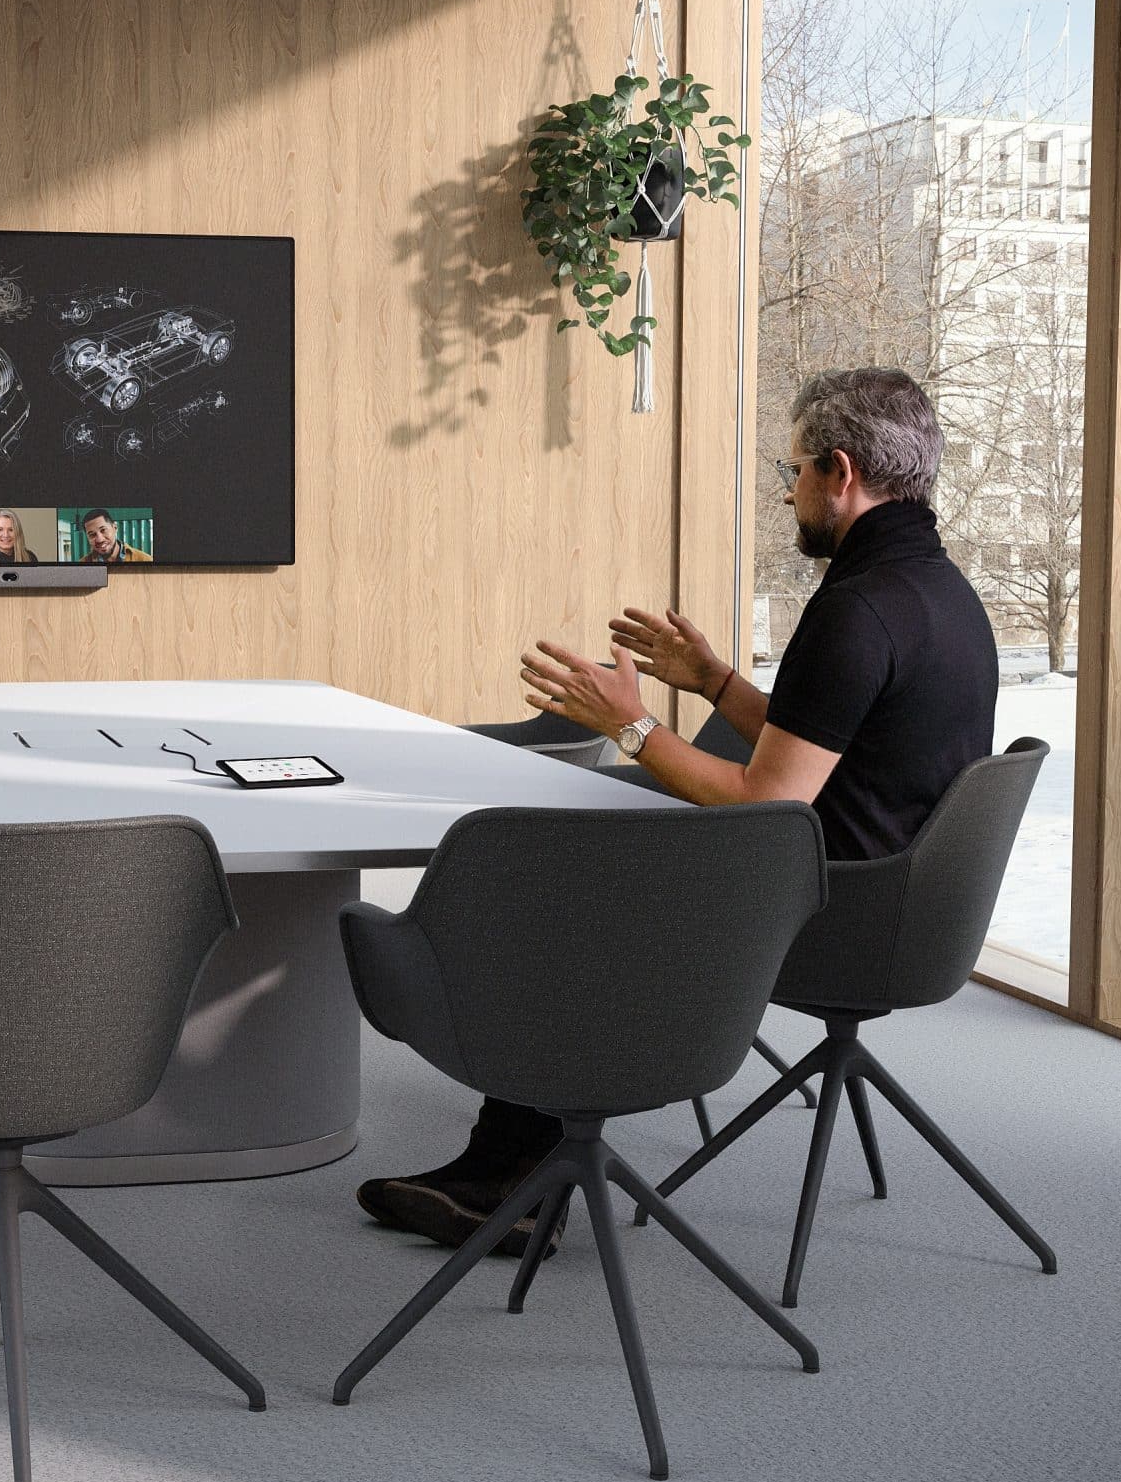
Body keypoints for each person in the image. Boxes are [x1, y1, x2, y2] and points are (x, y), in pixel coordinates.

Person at [354, 366, 1000, 1254]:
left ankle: (508, 1184)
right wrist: (715, 682)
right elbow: (818, 743)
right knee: (591, 869)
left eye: (795, 472)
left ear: (840, 473)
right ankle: (505, 1172)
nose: (789, 496)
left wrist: (630, 725)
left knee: (574, 894)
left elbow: (767, 797)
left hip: (830, 912)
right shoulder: (938, 593)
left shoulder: (858, 610)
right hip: (900, 900)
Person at [79, 508, 150, 563]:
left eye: (103, 530)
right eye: (92, 535)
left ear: (115, 528)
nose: (99, 539)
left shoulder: (145, 560)